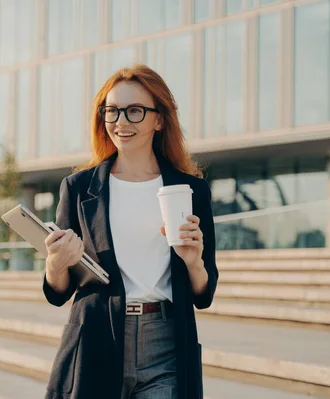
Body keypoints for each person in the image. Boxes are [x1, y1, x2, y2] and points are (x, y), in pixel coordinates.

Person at [42, 64, 218, 399]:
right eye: (112, 111)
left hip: (166, 342)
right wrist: (55, 263)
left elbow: (203, 294)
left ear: (159, 119)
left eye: (135, 111)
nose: (121, 121)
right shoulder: (79, 188)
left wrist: (194, 262)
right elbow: (58, 292)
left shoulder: (190, 190)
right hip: (97, 340)